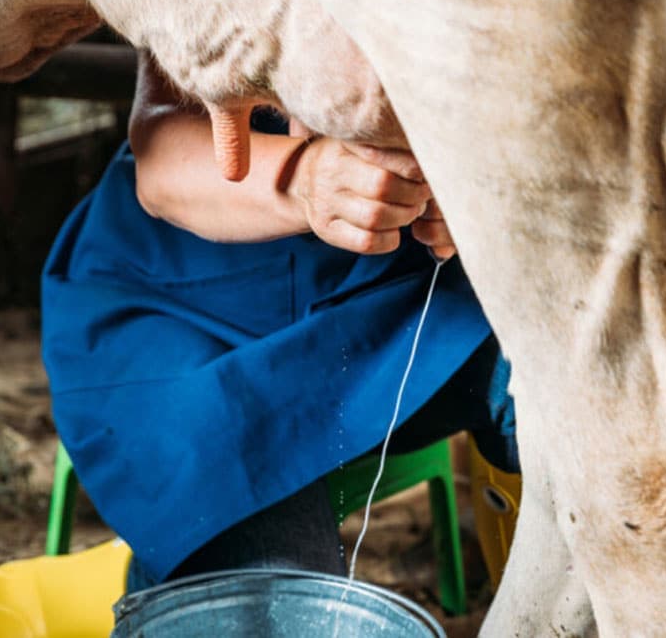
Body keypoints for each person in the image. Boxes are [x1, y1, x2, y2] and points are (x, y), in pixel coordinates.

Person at [40, 50, 518, 592]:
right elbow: (161, 152)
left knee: (565, 383)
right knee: (258, 583)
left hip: (397, 291)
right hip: (185, 299)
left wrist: (472, 196)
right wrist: (304, 179)